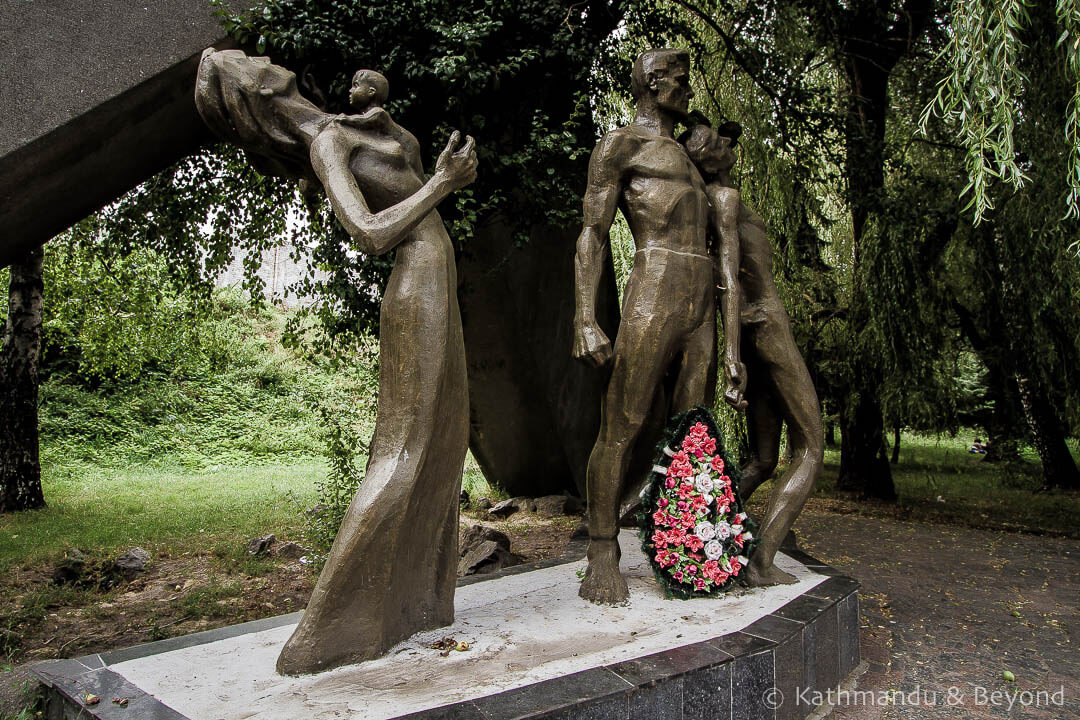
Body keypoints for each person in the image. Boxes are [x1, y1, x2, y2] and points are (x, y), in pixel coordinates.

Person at [196, 50, 478, 674]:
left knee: (444, 439)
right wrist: (443, 185)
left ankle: (418, 603)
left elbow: (405, 170)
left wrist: (402, 141)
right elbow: (371, 233)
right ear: (259, 95)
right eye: (252, 64)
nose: (264, 58)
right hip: (416, 281)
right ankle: (329, 632)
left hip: (440, 275)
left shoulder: (353, 126)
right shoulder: (328, 141)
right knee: (404, 447)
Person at [572, 49, 717, 605]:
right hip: (654, 284)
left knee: (691, 426)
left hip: (700, 298)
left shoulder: (687, 155)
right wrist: (585, 315)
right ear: (654, 83)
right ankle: (602, 551)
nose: (686, 90)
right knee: (624, 422)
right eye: (680, 81)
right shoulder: (621, 145)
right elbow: (593, 232)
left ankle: (689, 549)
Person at [682, 123, 824, 586]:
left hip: (754, 326)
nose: (727, 145)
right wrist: (733, 357)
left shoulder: (716, 200)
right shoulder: (722, 200)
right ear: (707, 162)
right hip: (766, 322)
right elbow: (730, 280)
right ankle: (761, 562)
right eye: (716, 143)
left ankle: (717, 538)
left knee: (764, 460)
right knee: (810, 447)